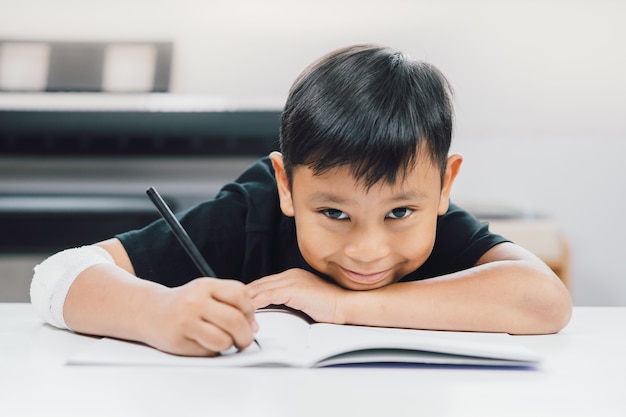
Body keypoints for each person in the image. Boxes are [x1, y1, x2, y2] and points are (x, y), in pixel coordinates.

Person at [30, 44, 572, 357]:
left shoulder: (439, 221)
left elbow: (544, 301)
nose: (367, 248)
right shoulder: (251, 213)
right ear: (287, 185)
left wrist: (344, 307)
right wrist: (157, 311)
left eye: (399, 213)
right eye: (334, 213)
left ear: (443, 186)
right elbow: (58, 276)